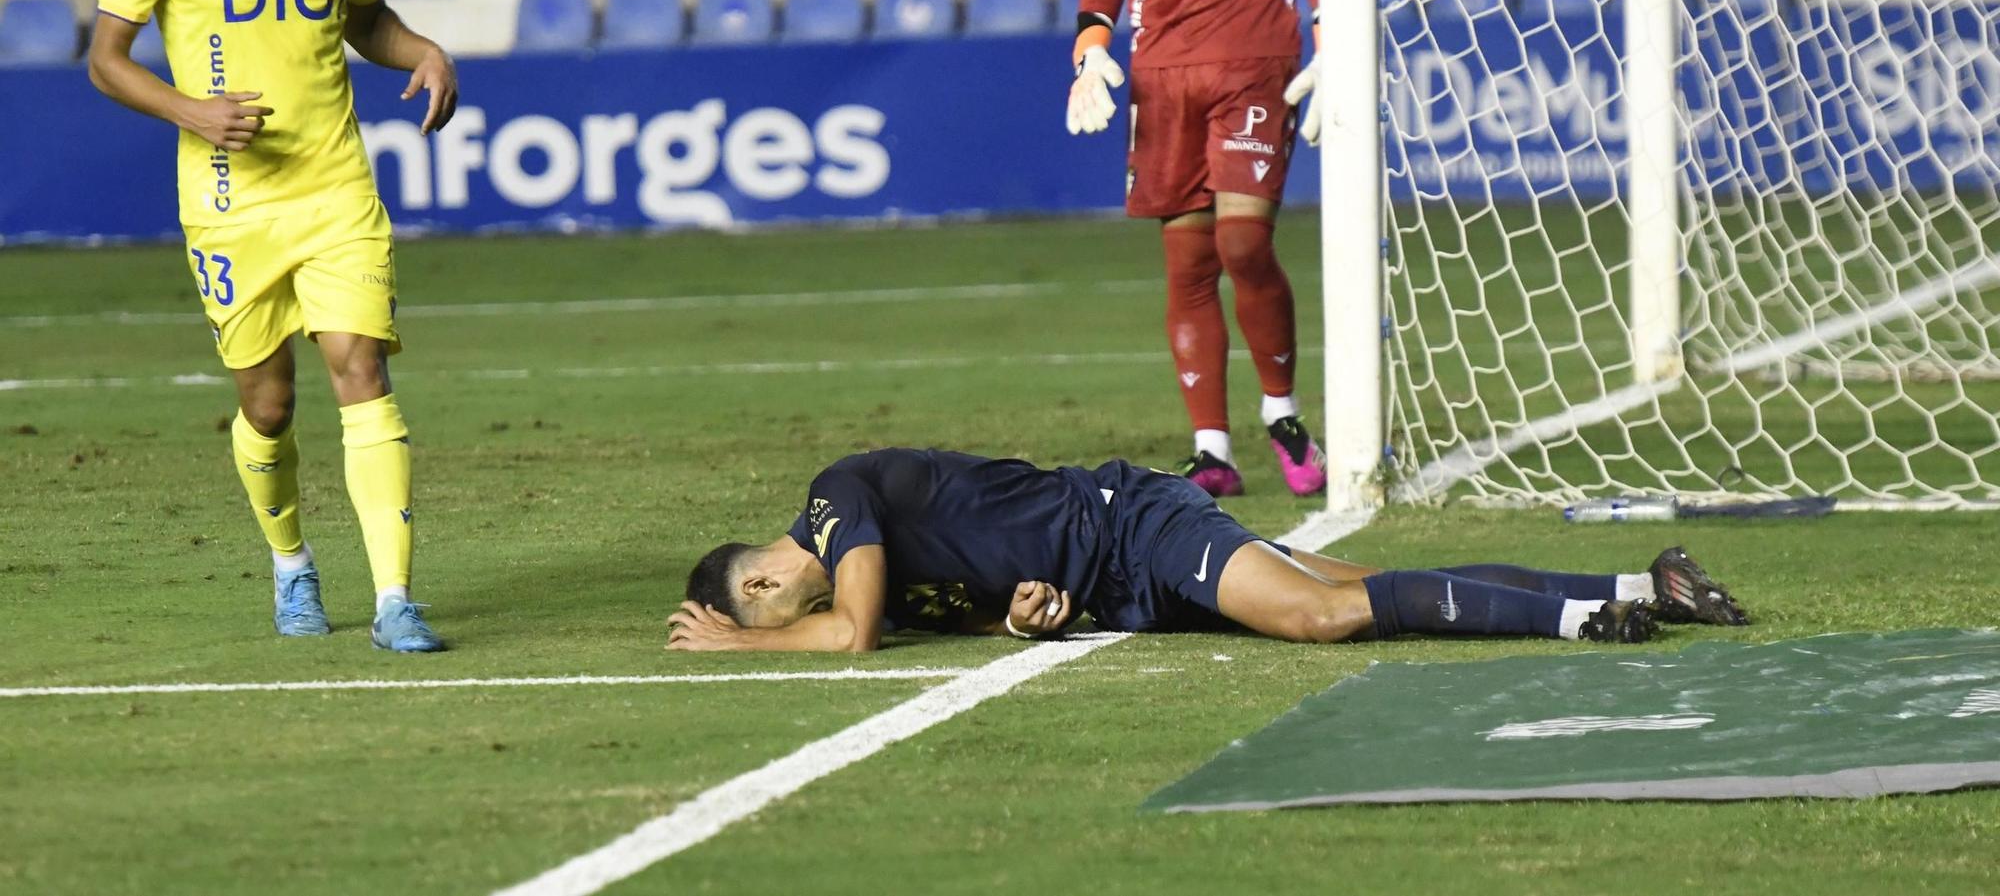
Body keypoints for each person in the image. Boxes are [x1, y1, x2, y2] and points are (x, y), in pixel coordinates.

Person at [86, 0, 459, 652]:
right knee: (271, 405)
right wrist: (194, 112)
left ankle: (394, 601)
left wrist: (424, 52)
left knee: (361, 370)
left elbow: (366, 19)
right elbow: (105, 59)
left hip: (335, 188)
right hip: (229, 202)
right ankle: (293, 565)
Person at [666, 448, 1748, 652]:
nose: (794, 621)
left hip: (1136, 523)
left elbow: (849, 635)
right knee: (1361, 588)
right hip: (1121, 585)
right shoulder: (888, 577)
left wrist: (736, 649)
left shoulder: (831, 499)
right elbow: (987, 597)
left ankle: (1575, 623)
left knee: (1317, 617)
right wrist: (1025, 613)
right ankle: (1639, 580)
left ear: (760, 579)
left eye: (775, 613)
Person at [1067, 0, 1334, 498]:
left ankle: (1282, 412)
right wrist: (1090, 44)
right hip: (1162, 70)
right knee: (1187, 264)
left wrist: (1330, 29)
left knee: (1244, 243)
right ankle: (1211, 448)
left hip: (1255, 61)